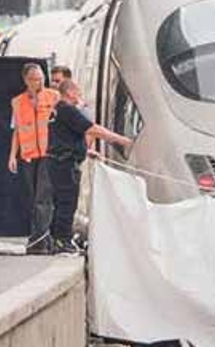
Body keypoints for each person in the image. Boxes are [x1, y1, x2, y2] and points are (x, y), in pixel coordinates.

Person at [47, 80, 132, 254]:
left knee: (61, 201)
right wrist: (122, 140)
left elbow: (65, 137)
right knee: (67, 202)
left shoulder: (58, 110)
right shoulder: (68, 110)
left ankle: (57, 239)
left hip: (59, 161)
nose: (79, 94)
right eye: (77, 90)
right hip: (65, 163)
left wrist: (86, 151)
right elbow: (92, 129)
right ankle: (62, 241)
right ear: (69, 92)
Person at [8, 63, 61, 253]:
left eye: (41, 78)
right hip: (28, 156)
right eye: (34, 79)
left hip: (49, 154)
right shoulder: (17, 102)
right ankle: (44, 241)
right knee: (33, 198)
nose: (38, 82)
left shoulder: (53, 97)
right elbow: (16, 130)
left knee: (43, 198)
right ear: (26, 80)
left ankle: (38, 241)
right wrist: (12, 156)